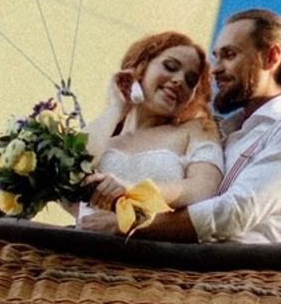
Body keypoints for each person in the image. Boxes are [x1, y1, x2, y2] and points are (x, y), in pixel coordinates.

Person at [136, 8, 281, 246]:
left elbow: (235, 212)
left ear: (271, 57)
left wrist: (130, 226)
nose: (215, 69)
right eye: (216, 56)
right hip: (175, 275)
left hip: (240, 279)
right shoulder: (217, 134)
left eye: (229, 55)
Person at [75, 31, 224, 232]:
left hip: (152, 259)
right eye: (170, 67)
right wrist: (115, 107)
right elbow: (69, 171)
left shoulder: (197, 130)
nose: (179, 80)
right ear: (140, 67)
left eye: (190, 81)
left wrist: (132, 191)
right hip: (82, 259)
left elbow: (204, 190)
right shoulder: (105, 137)